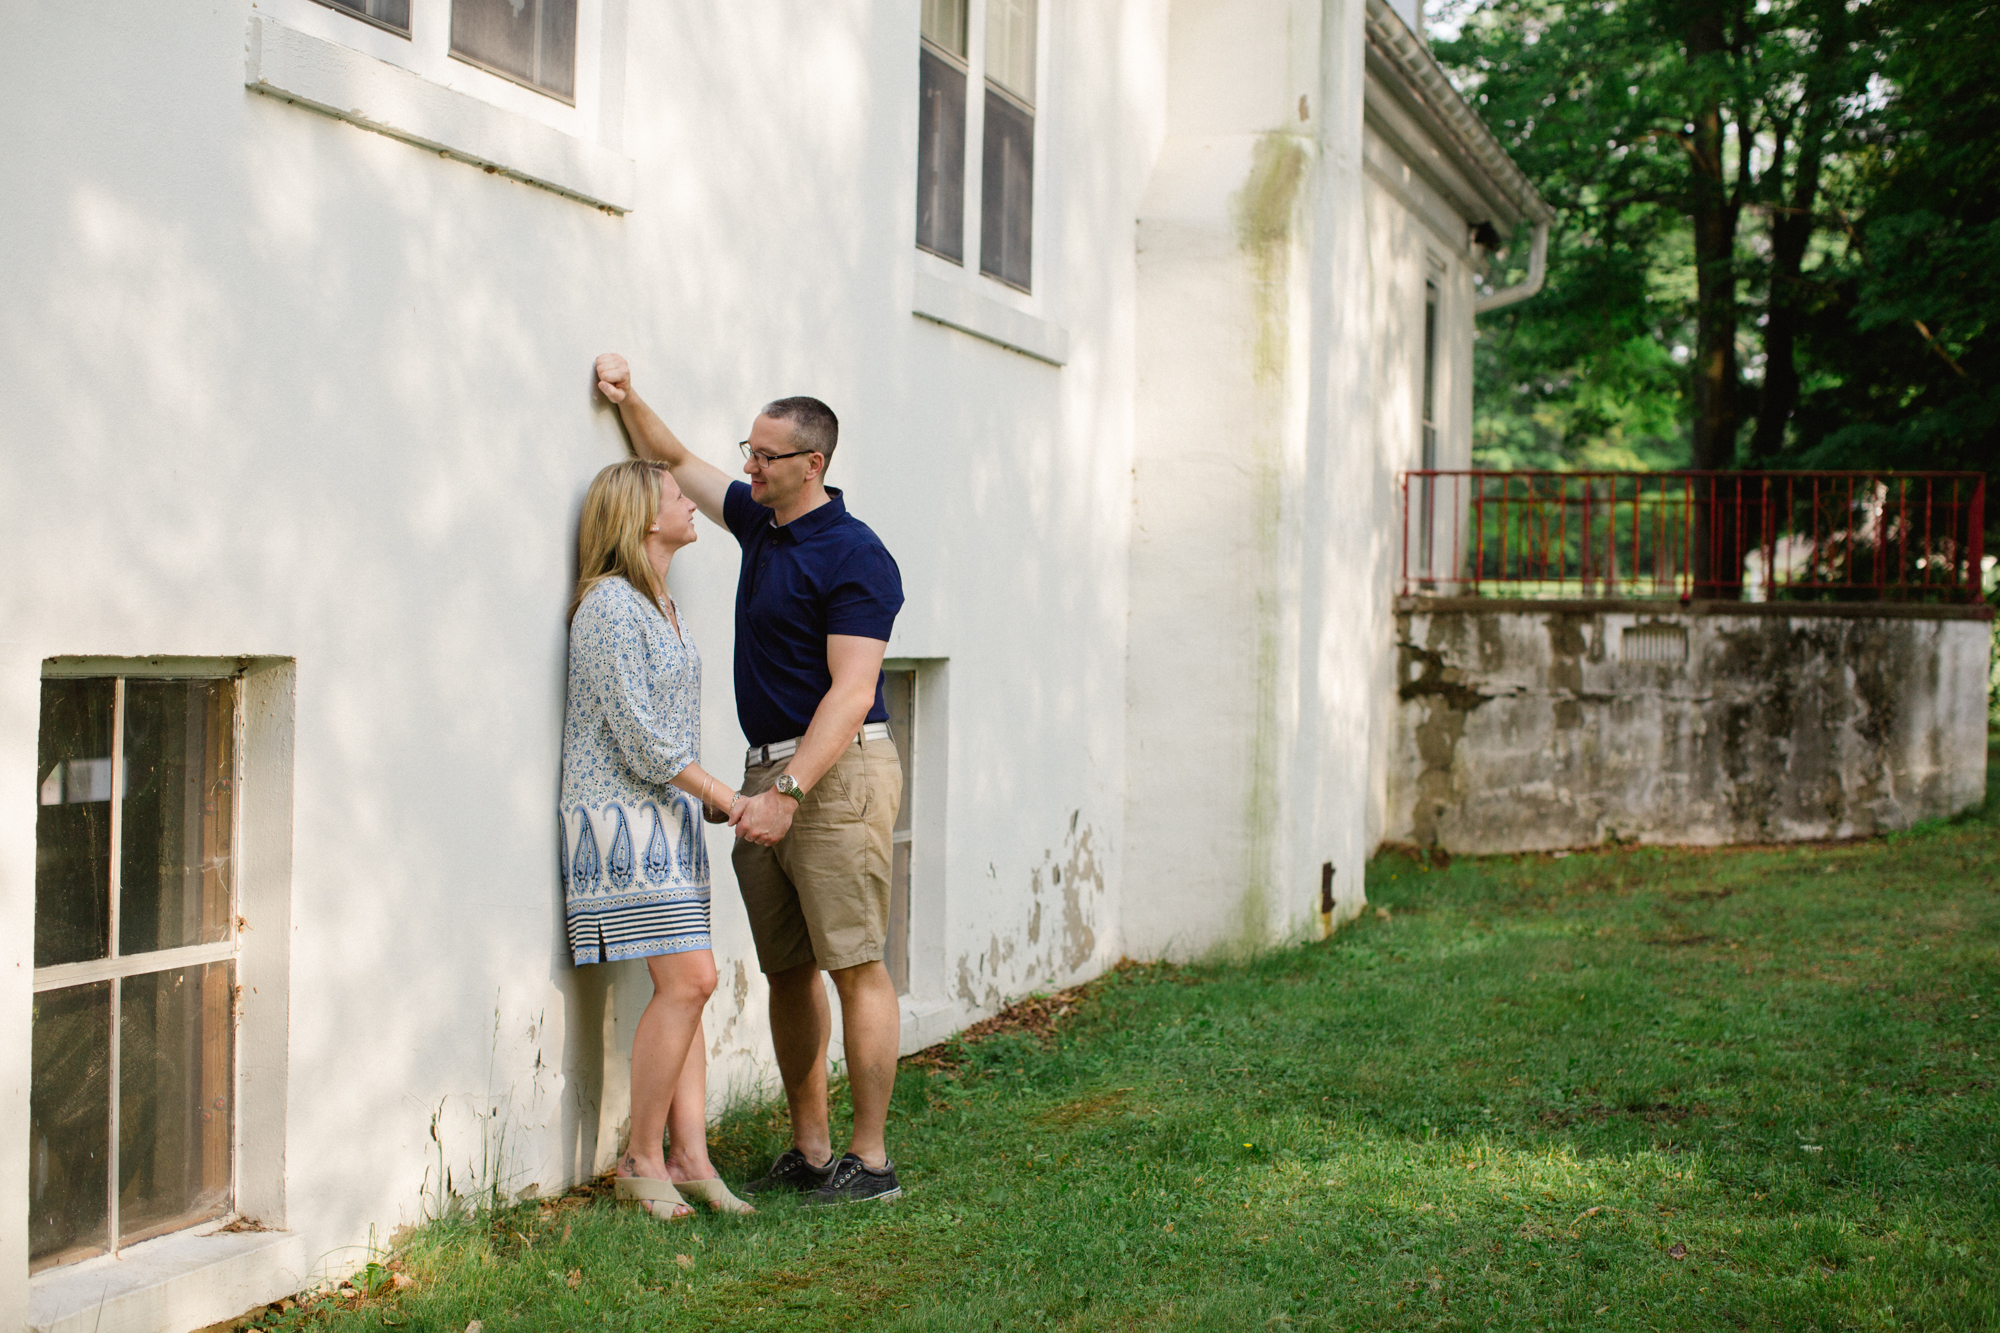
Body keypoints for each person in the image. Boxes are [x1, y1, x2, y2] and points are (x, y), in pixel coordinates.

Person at [594, 353, 908, 1206]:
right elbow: (672, 456)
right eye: (748, 448)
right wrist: (627, 399)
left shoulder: (855, 553)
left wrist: (787, 793)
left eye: (765, 455)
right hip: (766, 767)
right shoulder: (760, 521)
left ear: (813, 464)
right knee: (788, 968)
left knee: (855, 961)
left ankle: (870, 1161)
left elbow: (851, 694)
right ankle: (809, 1151)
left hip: (831, 772)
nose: (747, 465)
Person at [561, 459, 755, 1220]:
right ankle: (642, 1158)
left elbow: (665, 729)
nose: (689, 502)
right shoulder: (608, 605)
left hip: (666, 819)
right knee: (692, 980)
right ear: (645, 516)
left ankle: (690, 1156)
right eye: (677, 495)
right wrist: (723, 794)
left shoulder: (660, 602)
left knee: (687, 986)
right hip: (619, 823)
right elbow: (640, 736)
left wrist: (700, 801)